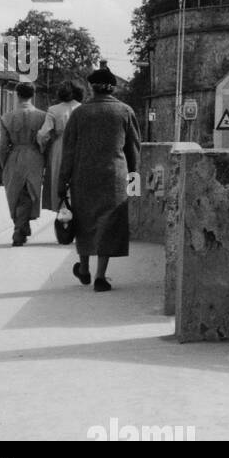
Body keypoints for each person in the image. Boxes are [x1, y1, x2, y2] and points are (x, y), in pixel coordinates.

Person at [58, 63, 140, 292]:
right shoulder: (125, 111)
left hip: (83, 178)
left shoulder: (79, 113)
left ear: (92, 88)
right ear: (113, 89)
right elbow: (133, 151)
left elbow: (69, 152)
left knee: (84, 223)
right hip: (114, 178)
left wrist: (61, 183)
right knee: (108, 225)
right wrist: (134, 187)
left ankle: (83, 268)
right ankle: (101, 277)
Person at [0, 81, 47, 245]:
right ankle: (22, 227)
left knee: (16, 194)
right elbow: (46, 141)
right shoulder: (42, 116)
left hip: (14, 156)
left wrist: (3, 164)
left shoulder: (7, 117)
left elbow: (2, 147)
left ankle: (19, 230)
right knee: (29, 193)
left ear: (17, 95)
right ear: (33, 95)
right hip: (35, 157)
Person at [37, 80, 80, 215]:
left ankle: (61, 210)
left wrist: (42, 148)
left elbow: (43, 134)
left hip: (59, 146)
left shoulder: (54, 109)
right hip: (79, 146)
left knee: (58, 178)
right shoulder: (82, 108)